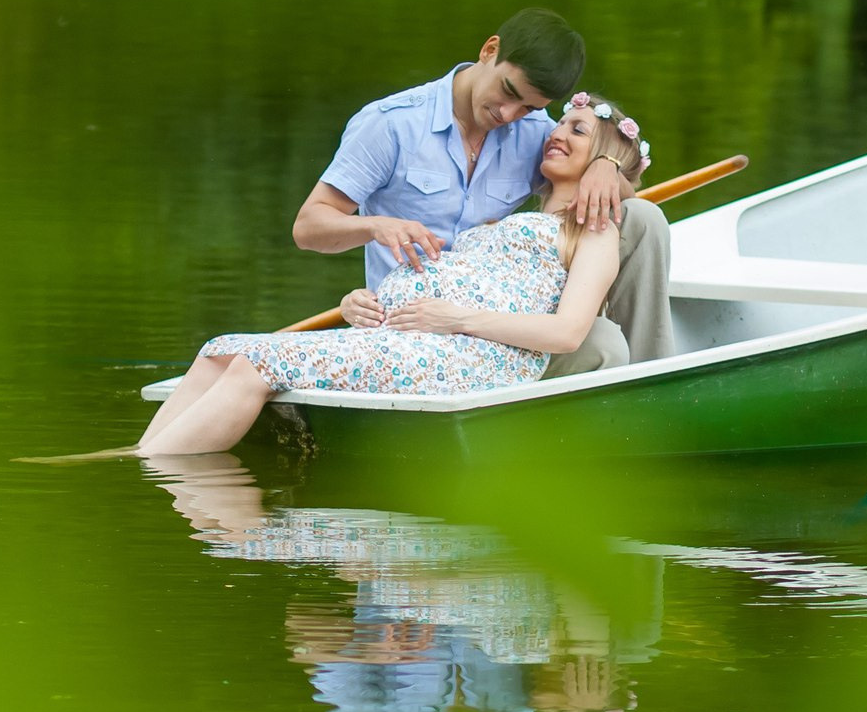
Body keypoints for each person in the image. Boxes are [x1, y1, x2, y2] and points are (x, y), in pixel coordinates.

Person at [136, 95, 649, 456]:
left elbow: (566, 333)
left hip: (469, 358)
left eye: (576, 131)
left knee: (253, 363)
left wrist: (458, 319)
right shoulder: (502, 222)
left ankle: (151, 477)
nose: (556, 134)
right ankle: (137, 458)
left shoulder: (591, 231)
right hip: (408, 340)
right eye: (559, 126)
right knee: (219, 350)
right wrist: (364, 303)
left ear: (605, 156)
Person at [290, 8, 673, 375]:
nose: (508, 114)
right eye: (508, 92)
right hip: (414, 324)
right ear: (490, 50)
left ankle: (653, 384)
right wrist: (375, 226)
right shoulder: (391, 125)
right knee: (602, 341)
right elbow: (309, 228)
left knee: (642, 218)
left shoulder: (536, 132)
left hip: (498, 326)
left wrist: (606, 164)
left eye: (528, 108)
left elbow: (597, 164)